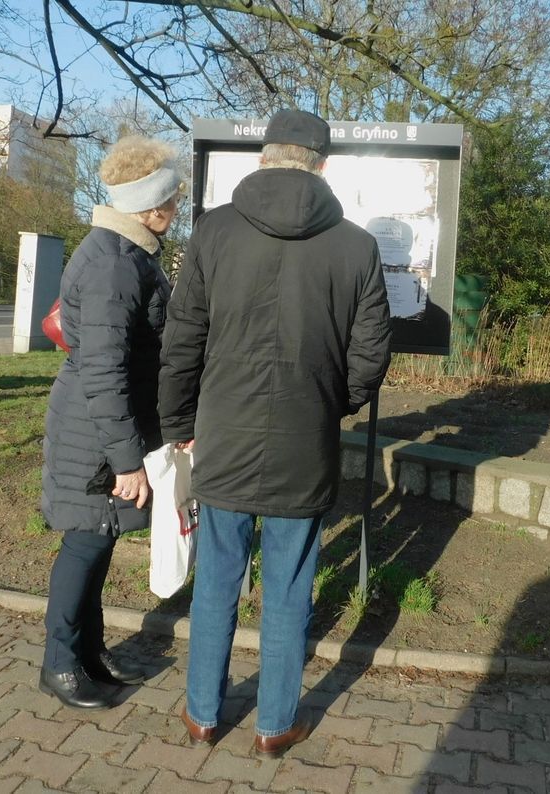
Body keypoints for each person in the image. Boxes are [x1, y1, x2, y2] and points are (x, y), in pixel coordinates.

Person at [158, 109, 392, 755]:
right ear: (321, 165)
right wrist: (328, 404)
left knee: (217, 581)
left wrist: (180, 422)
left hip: (223, 434)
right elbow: (371, 352)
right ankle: (273, 727)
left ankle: (203, 714)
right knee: (288, 588)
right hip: (303, 439)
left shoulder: (213, 231)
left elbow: (183, 340)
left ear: (263, 157)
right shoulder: (356, 244)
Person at [39, 136, 183, 709]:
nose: (177, 211)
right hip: (95, 433)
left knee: (98, 541)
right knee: (84, 543)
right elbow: (103, 370)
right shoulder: (114, 266)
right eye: (173, 201)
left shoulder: (124, 252)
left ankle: (87, 653)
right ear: (151, 207)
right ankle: (59, 665)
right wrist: (126, 460)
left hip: (101, 426)